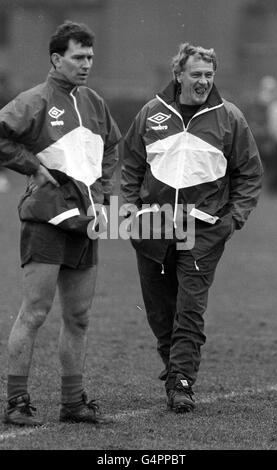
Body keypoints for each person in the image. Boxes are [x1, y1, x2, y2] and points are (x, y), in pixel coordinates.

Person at [120, 43, 263, 413]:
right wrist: (132, 212)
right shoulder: (151, 113)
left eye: (209, 75)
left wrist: (233, 219)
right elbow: (131, 166)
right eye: (196, 74)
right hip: (153, 225)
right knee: (158, 310)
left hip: (204, 229)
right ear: (178, 75)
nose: (203, 81)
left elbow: (249, 173)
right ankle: (175, 370)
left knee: (190, 306)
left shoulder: (229, 117)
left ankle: (182, 381)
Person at [0, 21, 121, 426]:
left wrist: (102, 195)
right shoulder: (33, 101)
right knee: (34, 312)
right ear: (56, 58)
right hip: (46, 220)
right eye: (78, 57)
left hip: (86, 223)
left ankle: (73, 403)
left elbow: (111, 149)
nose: (86, 64)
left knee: (79, 316)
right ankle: (16, 402)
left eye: (90, 57)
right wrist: (29, 165)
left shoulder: (94, 102)